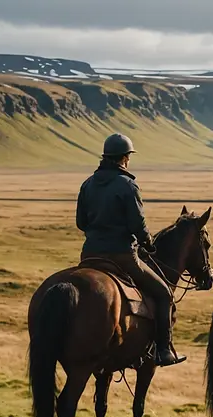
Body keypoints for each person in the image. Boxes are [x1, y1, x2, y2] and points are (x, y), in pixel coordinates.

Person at [76, 133, 183, 366]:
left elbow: (81, 223)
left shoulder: (87, 184)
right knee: (164, 294)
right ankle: (162, 350)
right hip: (122, 256)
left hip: (90, 255)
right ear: (124, 158)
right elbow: (137, 224)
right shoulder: (128, 185)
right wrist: (148, 242)